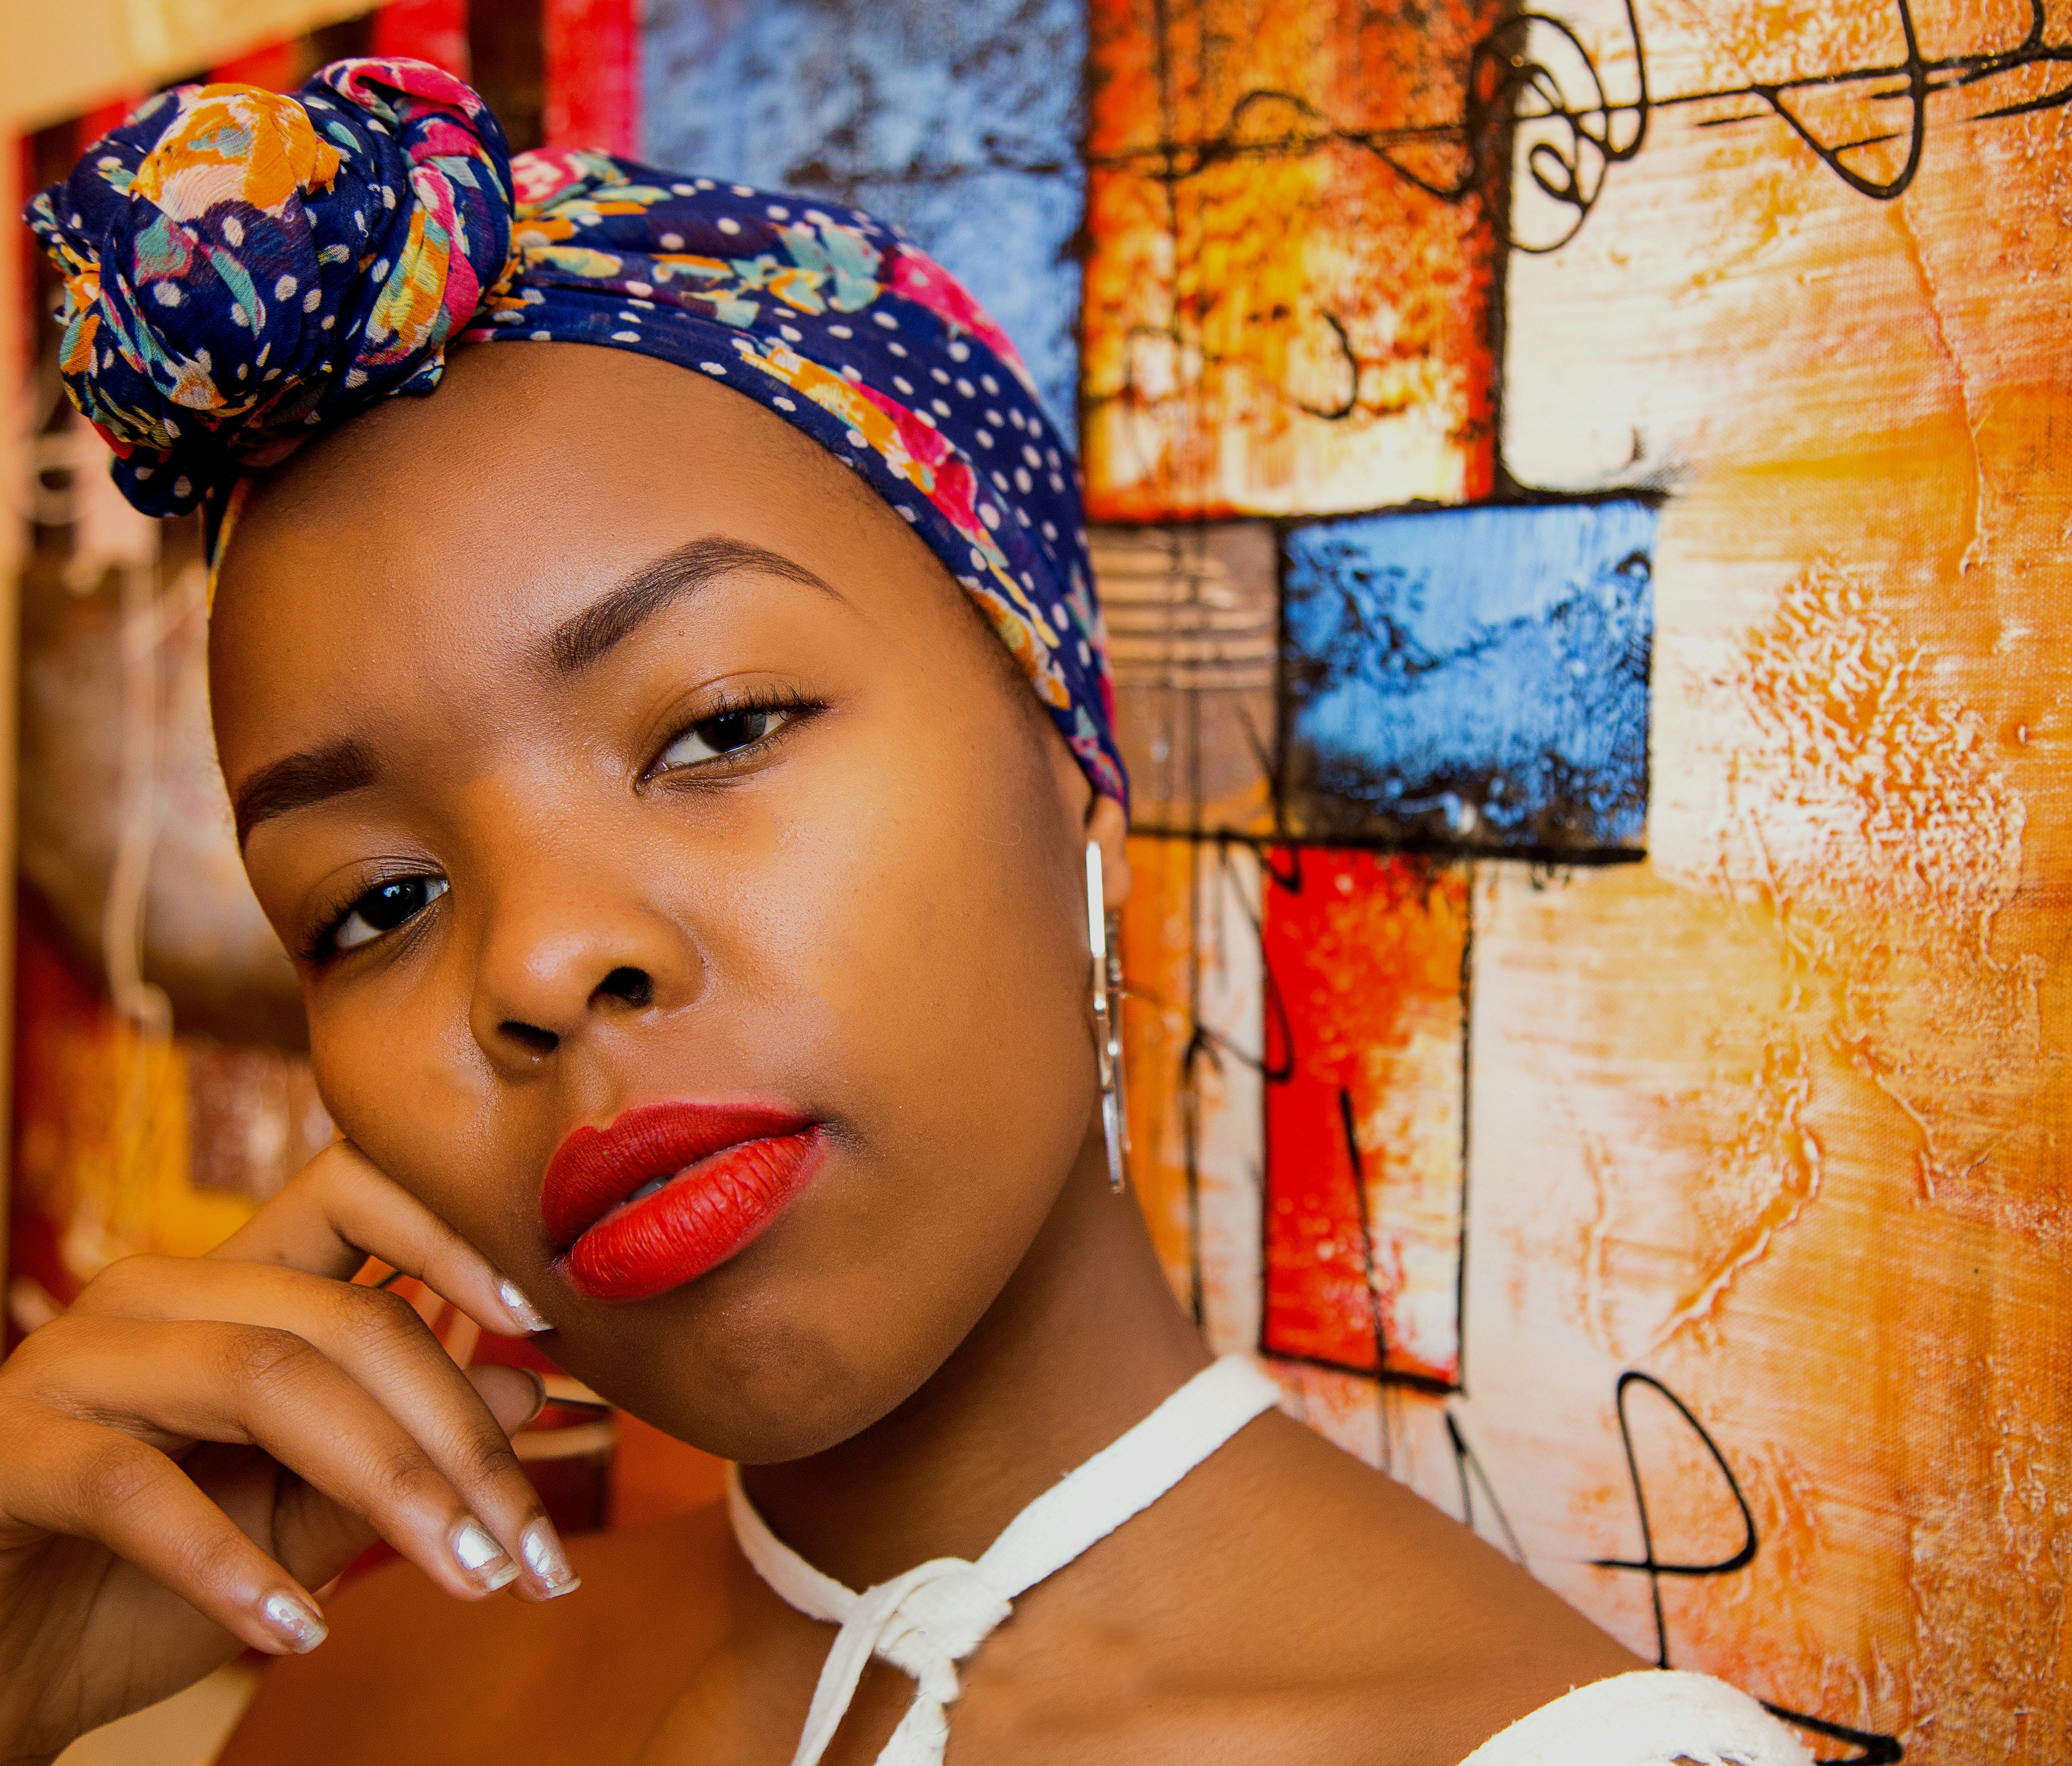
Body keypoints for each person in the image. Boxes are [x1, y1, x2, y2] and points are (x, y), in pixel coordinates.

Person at [0, 58, 1814, 1766]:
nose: (541, 962)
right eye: (376, 901)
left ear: (1068, 747)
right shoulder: (360, 1706)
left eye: (720, 728)